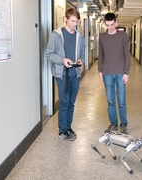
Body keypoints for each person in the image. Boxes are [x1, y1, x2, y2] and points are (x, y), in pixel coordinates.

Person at [45, 8, 85, 141]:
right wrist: (63, 60)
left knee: (71, 103)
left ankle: (68, 126)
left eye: (77, 21)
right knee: (64, 102)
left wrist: (81, 61)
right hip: (62, 74)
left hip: (76, 74)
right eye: (73, 21)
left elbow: (82, 55)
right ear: (66, 19)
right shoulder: (56, 35)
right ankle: (62, 130)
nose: (75, 24)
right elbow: (49, 54)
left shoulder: (80, 37)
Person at [98, 13, 131, 134]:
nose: (110, 27)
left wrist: (126, 72)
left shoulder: (123, 36)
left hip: (120, 73)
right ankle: (113, 123)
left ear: (116, 23)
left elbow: (127, 55)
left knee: (121, 101)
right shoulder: (102, 37)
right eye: (108, 25)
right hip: (107, 73)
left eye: (112, 25)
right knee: (110, 101)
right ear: (105, 24)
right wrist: (99, 71)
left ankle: (124, 124)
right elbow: (101, 54)